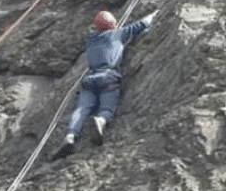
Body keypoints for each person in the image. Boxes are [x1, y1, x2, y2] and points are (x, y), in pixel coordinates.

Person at [50, 9, 156, 161]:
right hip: (108, 77)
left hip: (90, 79)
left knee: (81, 108)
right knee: (107, 107)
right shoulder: (117, 34)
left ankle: (70, 136)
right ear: (113, 23)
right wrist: (154, 14)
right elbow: (141, 24)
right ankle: (101, 120)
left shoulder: (91, 40)